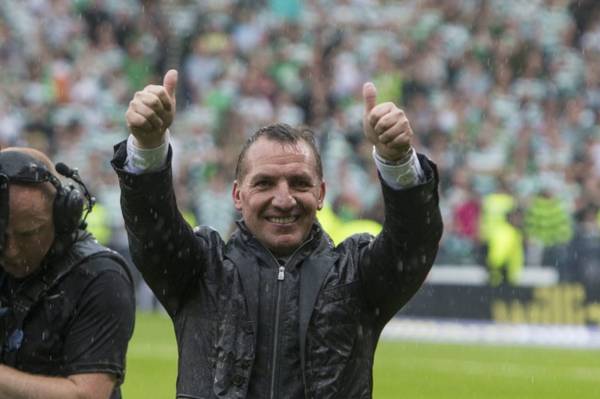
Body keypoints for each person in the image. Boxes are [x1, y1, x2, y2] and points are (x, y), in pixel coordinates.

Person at [112, 69, 442, 398]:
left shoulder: (355, 276)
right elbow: (151, 228)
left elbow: (413, 244)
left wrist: (397, 160)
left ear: (321, 193)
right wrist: (148, 144)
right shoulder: (201, 270)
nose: (283, 200)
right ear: (238, 196)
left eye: (299, 183)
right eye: (265, 183)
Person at [0, 147, 135, 399]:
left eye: (28, 234)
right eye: (2, 236)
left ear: (63, 217)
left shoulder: (101, 278)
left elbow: (87, 395)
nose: (12, 251)